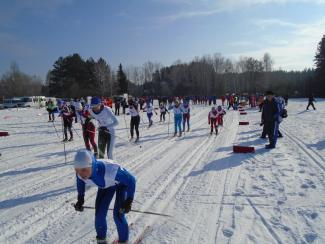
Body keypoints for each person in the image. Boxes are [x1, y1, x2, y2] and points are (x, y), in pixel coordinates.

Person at [73, 150, 136, 244]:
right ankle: (101, 241)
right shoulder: (81, 174)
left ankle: (124, 241)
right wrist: (80, 199)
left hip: (121, 184)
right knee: (99, 215)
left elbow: (131, 180)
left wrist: (129, 200)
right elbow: (80, 183)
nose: (81, 174)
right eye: (77, 170)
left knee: (118, 215)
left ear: (92, 166)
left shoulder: (110, 171)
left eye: (84, 170)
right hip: (106, 185)